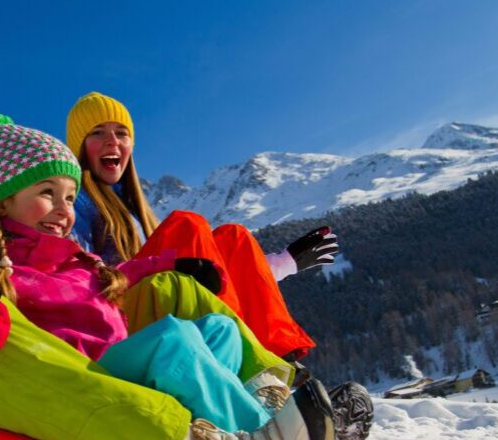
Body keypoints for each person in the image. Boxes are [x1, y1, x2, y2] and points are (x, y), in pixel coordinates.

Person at [0, 113, 340, 440]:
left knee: (215, 327)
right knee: (173, 341)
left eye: (69, 197)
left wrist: (170, 264)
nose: (63, 210)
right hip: (81, 378)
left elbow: (115, 275)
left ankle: (277, 400)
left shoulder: (62, 254)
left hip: (114, 362)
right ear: (2, 200)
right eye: (47, 193)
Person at [66, 91, 340, 362]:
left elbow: (210, 273)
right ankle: (241, 355)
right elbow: (78, 277)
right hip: (118, 317)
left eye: (121, 133)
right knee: (186, 225)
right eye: (98, 133)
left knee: (233, 237)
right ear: (80, 146)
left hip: (157, 300)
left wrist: (284, 263)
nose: (112, 141)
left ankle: (282, 359)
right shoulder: (76, 202)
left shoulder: (133, 208)